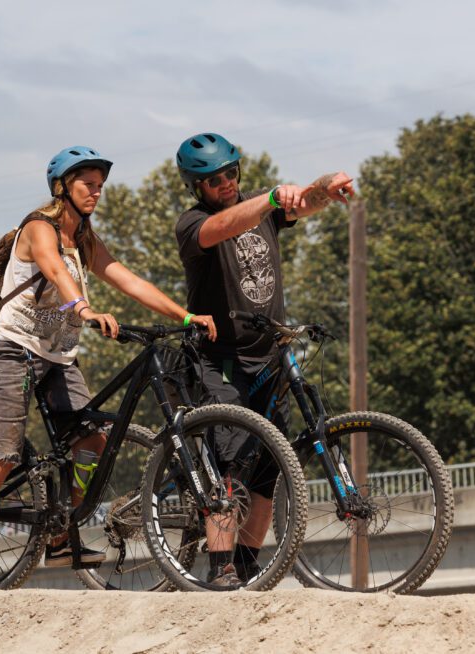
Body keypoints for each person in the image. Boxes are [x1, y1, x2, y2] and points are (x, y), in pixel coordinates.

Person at [0, 146, 218, 590]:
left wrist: (184, 317)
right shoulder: (39, 227)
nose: (96, 191)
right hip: (13, 348)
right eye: (87, 184)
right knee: (1, 456)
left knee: (91, 439)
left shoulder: (84, 238)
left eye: (100, 185)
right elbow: (53, 269)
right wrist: (84, 309)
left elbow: (127, 279)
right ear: (62, 187)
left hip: (57, 357)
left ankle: (59, 534)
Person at [173, 132, 354, 585]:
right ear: (197, 187)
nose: (226, 183)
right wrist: (271, 198)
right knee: (230, 466)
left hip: (269, 355)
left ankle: (250, 564)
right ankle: (221, 567)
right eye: (214, 180)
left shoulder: (261, 205)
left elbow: (306, 201)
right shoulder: (192, 223)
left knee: (268, 468)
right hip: (221, 359)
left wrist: (326, 186)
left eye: (231, 173)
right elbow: (223, 227)